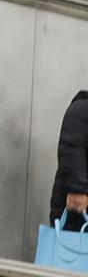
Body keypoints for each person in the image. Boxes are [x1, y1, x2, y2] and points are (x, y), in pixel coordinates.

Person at [50, 89, 88, 232]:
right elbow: (71, 148)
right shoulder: (82, 108)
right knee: (72, 249)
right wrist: (78, 190)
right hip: (78, 207)